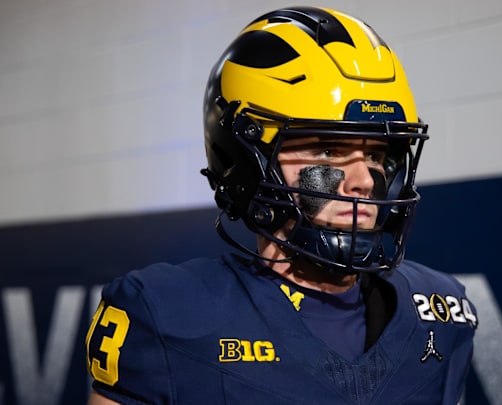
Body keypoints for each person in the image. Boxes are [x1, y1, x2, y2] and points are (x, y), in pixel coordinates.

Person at [85, 6, 477, 404]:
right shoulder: (166, 313)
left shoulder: (441, 312)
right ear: (246, 163)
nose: (364, 180)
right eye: (328, 149)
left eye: (377, 155)